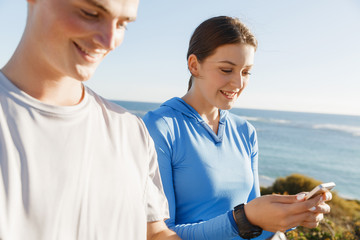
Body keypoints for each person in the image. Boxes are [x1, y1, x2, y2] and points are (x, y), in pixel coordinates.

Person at [0, 0, 180, 239]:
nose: (110, 42)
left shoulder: (131, 130)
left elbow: (155, 233)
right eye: (91, 13)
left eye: (123, 24)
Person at [143, 16, 332, 239]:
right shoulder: (159, 128)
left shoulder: (245, 132)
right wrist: (241, 219)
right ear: (194, 65)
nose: (238, 84)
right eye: (226, 70)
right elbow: (157, 235)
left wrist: (290, 216)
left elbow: (253, 227)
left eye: (246, 72)